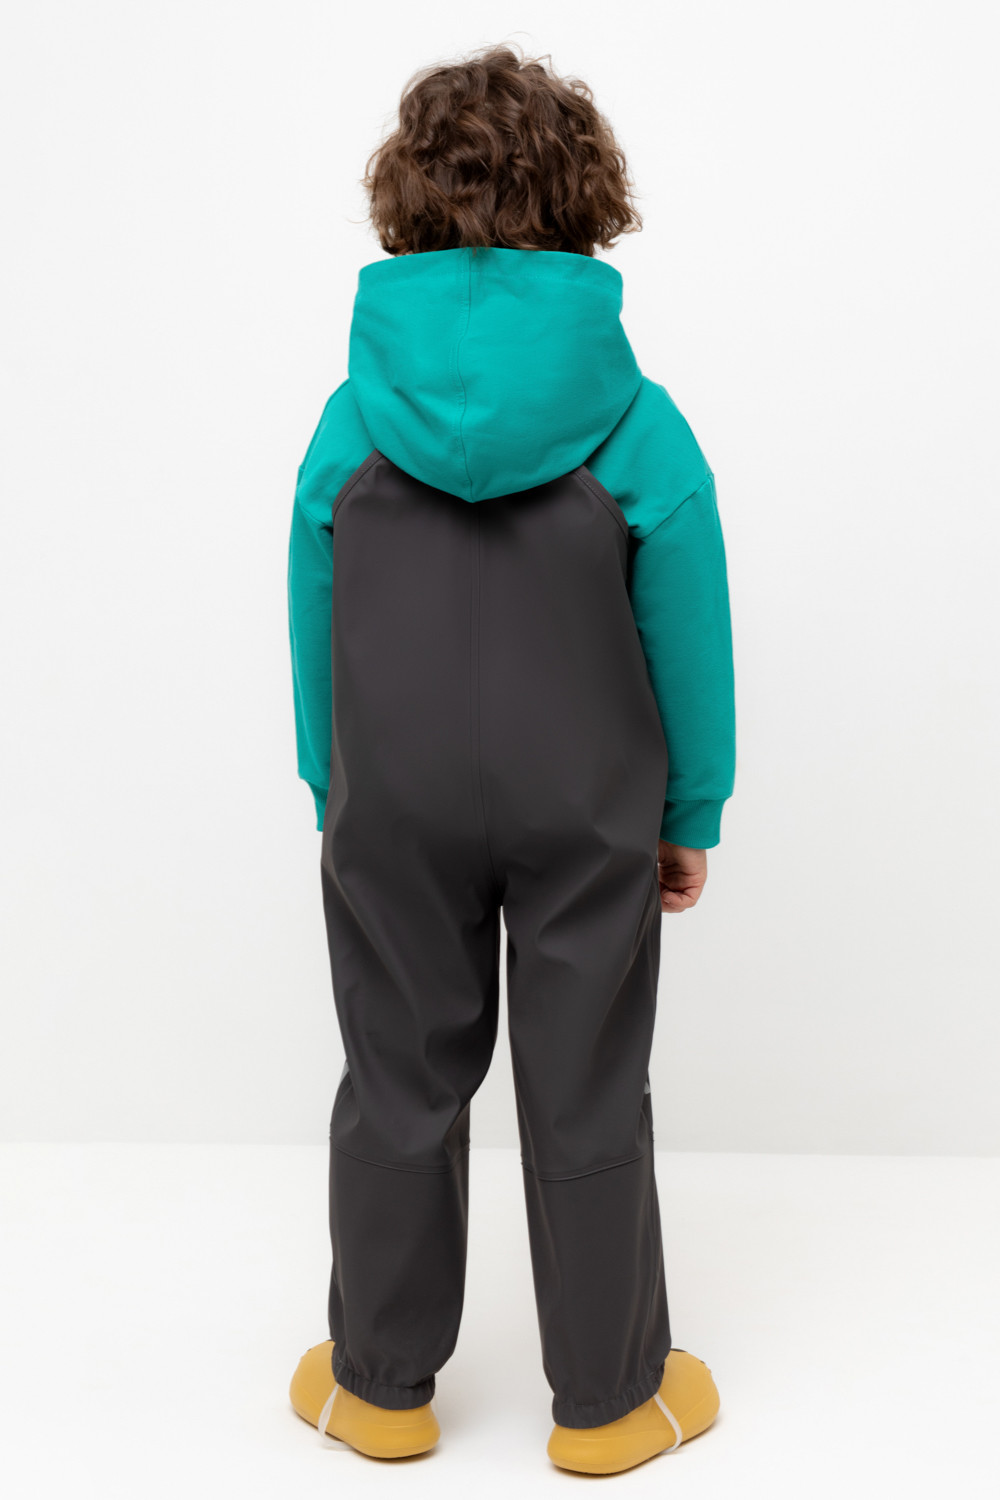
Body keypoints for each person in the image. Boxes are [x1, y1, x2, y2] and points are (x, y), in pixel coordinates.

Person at [285, 42, 735, 1475]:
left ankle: (379, 1388)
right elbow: (690, 633)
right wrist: (688, 809)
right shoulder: (639, 425)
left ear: (406, 205)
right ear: (586, 201)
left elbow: (314, 617)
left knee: (397, 1073)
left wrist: (331, 787)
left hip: (394, 815)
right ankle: (611, 1403)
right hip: (588, 816)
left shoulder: (352, 423)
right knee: (587, 1082)